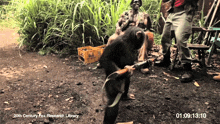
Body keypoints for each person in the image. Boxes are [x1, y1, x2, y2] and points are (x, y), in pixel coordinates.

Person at [155, 0, 199, 82]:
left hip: (184, 12)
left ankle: (187, 68)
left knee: (180, 39)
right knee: (165, 37)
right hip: (172, 12)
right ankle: (166, 60)